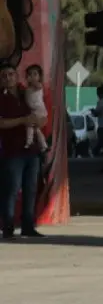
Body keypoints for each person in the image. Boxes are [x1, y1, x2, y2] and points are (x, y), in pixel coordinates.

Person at [0, 62, 40, 238]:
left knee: (30, 189)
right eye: (4, 76)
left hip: (32, 150)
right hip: (12, 151)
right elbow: (1, 123)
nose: (8, 78)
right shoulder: (1, 98)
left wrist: (39, 121)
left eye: (11, 74)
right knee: (12, 189)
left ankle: (28, 226)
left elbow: (39, 114)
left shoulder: (27, 94)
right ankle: (7, 227)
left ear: (17, 76)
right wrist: (23, 120)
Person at [22, 64, 46, 152]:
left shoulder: (38, 86)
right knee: (34, 129)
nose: (31, 76)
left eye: (35, 74)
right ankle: (43, 145)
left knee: (30, 126)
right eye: (29, 74)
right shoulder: (28, 89)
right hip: (33, 110)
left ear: (40, 77)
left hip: (38, 110)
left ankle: (30, 142)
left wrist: (32, 80)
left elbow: (37, 85)